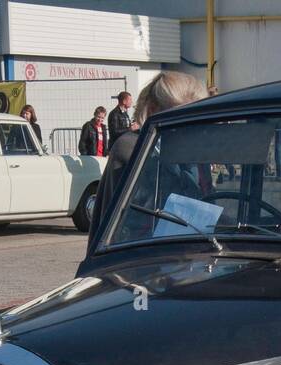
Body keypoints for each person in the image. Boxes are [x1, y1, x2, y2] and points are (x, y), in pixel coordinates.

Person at [87, 71, 208, 242]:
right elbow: (123, 226)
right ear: (154, 111)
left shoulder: (191, 152)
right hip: (142, 255)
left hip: (192, 250)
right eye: (182, 117)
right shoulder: (132, 148)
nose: (191, 129)